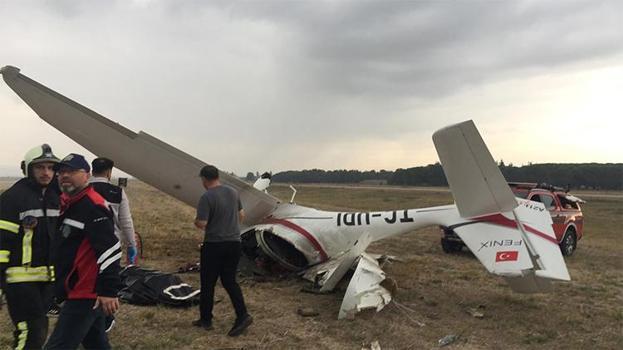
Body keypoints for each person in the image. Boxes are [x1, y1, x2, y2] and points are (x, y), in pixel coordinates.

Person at [44, 154, 122, 350]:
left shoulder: (92, 206)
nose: (64, 176)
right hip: (75, 289)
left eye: (71, 171)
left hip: (85, 292)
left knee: (58, 345)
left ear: (86, 175)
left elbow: (110, 249)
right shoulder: (69, 203)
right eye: (61, 172)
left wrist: (108, 291)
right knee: (96, 343)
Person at [0, 144, 61, 349]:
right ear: (28, 169)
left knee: (37, 330)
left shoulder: (57, 198)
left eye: (51, 168)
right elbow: (1, 244)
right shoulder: (12, 198)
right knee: (32, 331)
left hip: (47, 281)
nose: (46, 173)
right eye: (40, 167)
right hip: (20, 280)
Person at [193, 164, 253, 337]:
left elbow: (202, 223)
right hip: (234, 243)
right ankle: (242, 315)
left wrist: (196, 222)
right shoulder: (233, 192)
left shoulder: (207, 197)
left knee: (208, 282)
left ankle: (206, 320)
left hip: (214, 245)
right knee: (229, 281)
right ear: (217, 177)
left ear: (204, 179)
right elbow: (242, 215)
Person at [89, 157, 137, 265]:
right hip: (112, 245)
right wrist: (131, 244)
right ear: (109, 172)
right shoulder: (118, 192)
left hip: (87, 245)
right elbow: (126, 222)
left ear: (92, 172)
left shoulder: (84, 191)